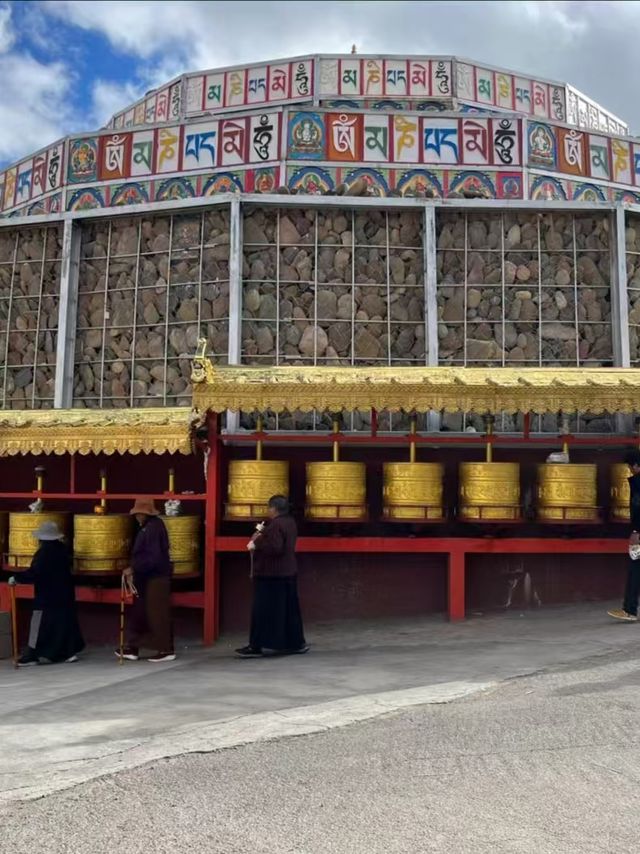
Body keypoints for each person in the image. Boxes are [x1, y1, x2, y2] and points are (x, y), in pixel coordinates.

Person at [236, 494, 308, 659]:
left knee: (263, 611)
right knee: (289, 611)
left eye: (269, 508)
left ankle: (258, 645)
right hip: (287, 572)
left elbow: (276, 548)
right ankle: (295, 643)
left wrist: (256, 542)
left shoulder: (276, 525)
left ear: (273, 509)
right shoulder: (290, 522)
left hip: (271, 575)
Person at [12, 520, 84, 667]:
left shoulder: (43, 553)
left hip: (46, 597)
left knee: (37, 624)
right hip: (65, 594)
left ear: (42, 538)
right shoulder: (63, 549)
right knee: (64, 622)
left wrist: (17, 578)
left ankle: (31, 655)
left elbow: (35, 573)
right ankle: (69, 653)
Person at [115, 498, 175, 662]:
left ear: (144, 513)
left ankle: (166, 649)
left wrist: (133, 568)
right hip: (147, 578)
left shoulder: (153, 528)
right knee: (142, 613)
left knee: (157, 614)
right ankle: (133, 648)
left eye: (137, 514)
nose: (136, 517)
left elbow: (153, 557)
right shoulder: (148, 527)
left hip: (156, 577)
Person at [609, 450, 640, 622]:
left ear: (636, 465)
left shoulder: (639, 483)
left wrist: (636, 532)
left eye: (630, 466)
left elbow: (638, 508)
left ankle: (630, 610)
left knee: (635, 570)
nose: (629, 470)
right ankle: (630, 610)